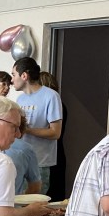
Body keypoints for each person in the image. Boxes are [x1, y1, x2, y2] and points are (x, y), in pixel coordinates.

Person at [10, 57, 62, 194]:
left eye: (13, 75)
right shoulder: (20, 99)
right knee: (17, 201)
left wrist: (27, 130)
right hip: (19, 159)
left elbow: (55, 133)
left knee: (33, 202)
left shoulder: (51, 96)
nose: (11, 80)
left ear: (24, 76)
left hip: (40, 162)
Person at [39, 71, 68, 201]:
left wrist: (28, 130)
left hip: (50, 153)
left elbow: (53, 132)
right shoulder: (61, 105)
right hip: (57, 152)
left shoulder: (55, 105)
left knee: (50, 194)